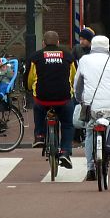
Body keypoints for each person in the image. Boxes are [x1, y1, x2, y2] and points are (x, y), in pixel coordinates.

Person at [73, 34, 110, 182]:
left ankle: (90, 168)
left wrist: (79, 98)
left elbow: (77, 85)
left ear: (92, 46)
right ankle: (108, 153)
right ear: (107, 47)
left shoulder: (84, 60)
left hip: (91, 105)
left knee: (90, 132)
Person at [25, 30, 77, 168]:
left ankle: (40, 136)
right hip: (63, 99)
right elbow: (74, 78)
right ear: (58, 42)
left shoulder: (35, 57)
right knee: (67, 124)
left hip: (43, 99)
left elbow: (29, 79)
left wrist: (29, 88)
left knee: (38, 108)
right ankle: (65, 151)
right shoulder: (68, 56)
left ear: (43, 43)